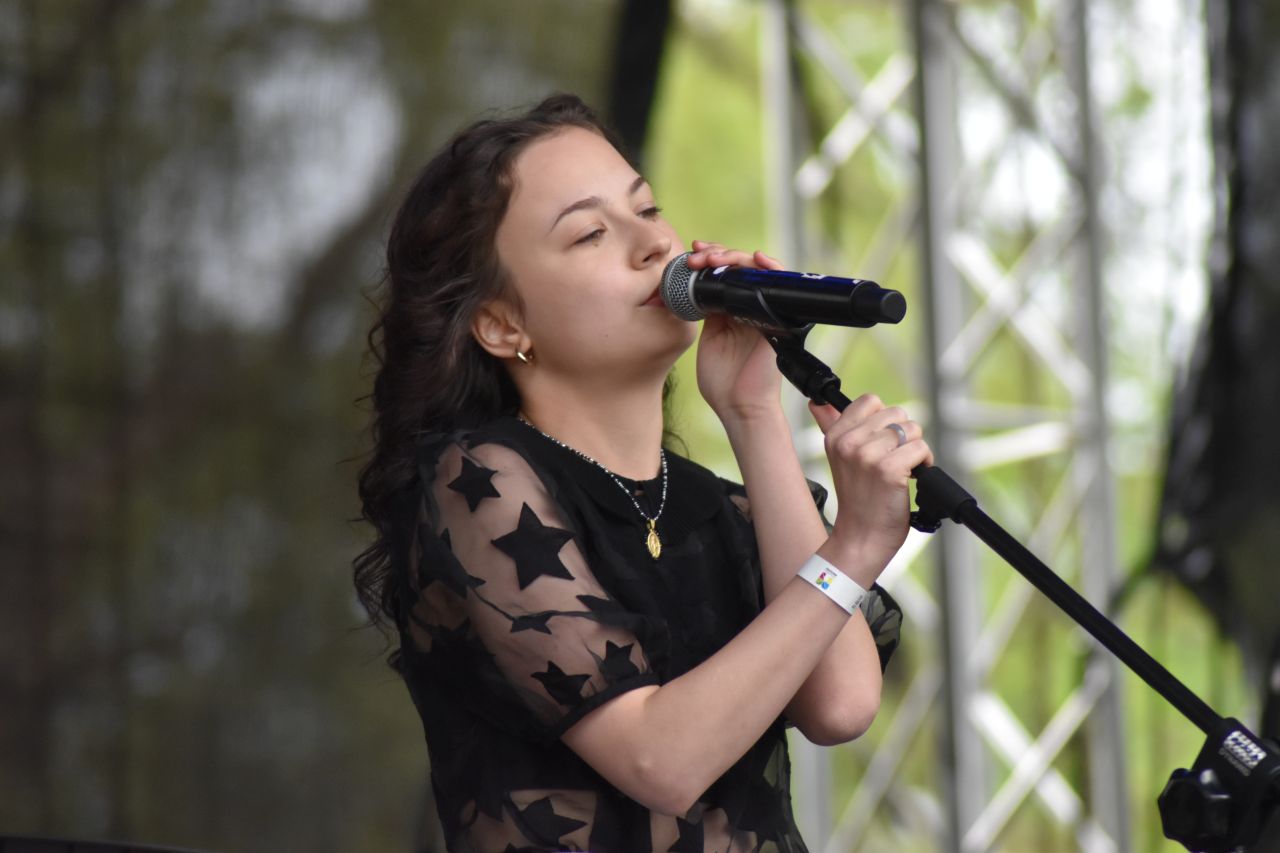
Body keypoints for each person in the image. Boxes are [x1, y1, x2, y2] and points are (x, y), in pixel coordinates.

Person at [354, 93, 932, 853]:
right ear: (502, 323)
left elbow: (840, 703)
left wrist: (753, 414)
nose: (653, 243)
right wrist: (852, 547)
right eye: (590, 232)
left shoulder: (720, 507)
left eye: (647, 208)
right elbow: (660, 760)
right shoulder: (479, 484)